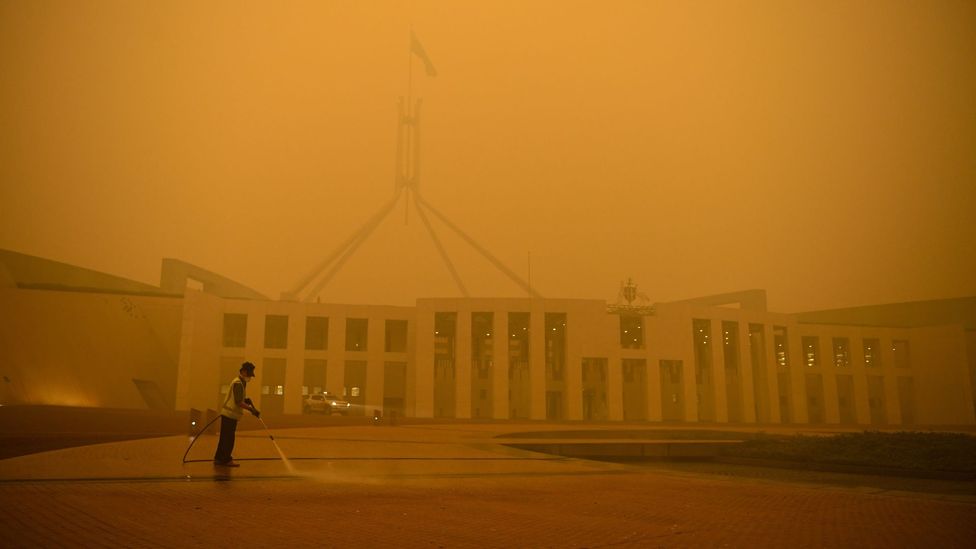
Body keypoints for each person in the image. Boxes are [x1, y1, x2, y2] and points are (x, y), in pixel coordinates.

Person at [214, 361, 260, 467]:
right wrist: (251, 409)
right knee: (229, 439)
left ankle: (219, 458)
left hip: (228, 414)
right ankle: (226, 460)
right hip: (230, 414)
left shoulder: (239, 382)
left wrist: (246, 400)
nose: (249, 377)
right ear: (243, 372)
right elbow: (238, 402)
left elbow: (239, 398)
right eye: (249, 374)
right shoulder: (238, 383)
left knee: (224, 437)